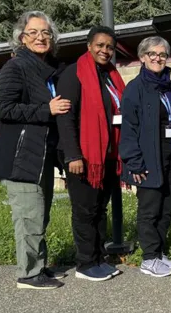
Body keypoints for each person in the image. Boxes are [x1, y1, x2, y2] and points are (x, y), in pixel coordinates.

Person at [0, 11, 70, 290]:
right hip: (19, 156)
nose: (40, 38)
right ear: (22, 39)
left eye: (46, 33)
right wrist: (47, 110)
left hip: (40, 155)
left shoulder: (46, 69)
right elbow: (2, 107)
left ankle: (38, 267)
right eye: (33, 33)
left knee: (40, 214)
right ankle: (29, 275)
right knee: (29, 214)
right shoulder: (16, 67)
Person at [56, 25, 125, 281]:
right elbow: (66, 118)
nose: (105, 50)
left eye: (109, 47)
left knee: (99, 209)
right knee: (85, 211)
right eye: (100, 45)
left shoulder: (110, 76)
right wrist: (73, 155)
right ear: (89, 46)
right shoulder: (75, 73)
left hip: (105, 156)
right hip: (83, 157)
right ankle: (85, 264)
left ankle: (98, 257)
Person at [119, 36, 171, 277]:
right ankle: (148, 258)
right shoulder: (135, 89)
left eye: (162, 54)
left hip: (170, 154)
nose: (158, 58)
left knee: (166, 207)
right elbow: (129, 129)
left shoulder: (167, 86)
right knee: (149, 209)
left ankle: (159, 252)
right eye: (152, 54)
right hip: (148, 156)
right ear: (143, 57)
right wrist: (134, 161)